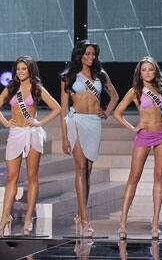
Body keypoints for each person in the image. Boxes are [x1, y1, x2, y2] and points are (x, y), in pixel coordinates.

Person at [0, 56, 61, 236]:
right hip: (16, 133)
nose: (20, 72)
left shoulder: (37, 88)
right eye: (18, 69)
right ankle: (5, 217)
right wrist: (6, 122)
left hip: (32, 134)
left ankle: (29, 218)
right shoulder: (12, 88)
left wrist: (39, 123)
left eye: (24, 69)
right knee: (11, 178)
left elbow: (57, 108)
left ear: (30, 70)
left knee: (31, 177)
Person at [60, 40, 119, 237]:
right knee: (81, 168)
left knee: (89, 170)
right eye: (87, 54)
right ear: (79, 55)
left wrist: (107, 112)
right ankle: (85, 218)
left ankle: (80, 212)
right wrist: (64, 138)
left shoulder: (100, 75)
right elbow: (62, 109)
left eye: (93, 54)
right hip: (76, 121)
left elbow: (115, 96)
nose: (91, 57)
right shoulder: (69, 77)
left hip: (94, 123)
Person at [113, 57, 162, 239]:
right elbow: (117, 112)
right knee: (134, 177)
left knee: (159, 178)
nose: (147, 72)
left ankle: (155, 223)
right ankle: (123, 223)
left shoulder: (161, 91)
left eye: (150, 69)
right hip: (144, 135)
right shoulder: (135, 91)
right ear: (139, 73)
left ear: (155, 72)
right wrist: (133, 128)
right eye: (144, 70)